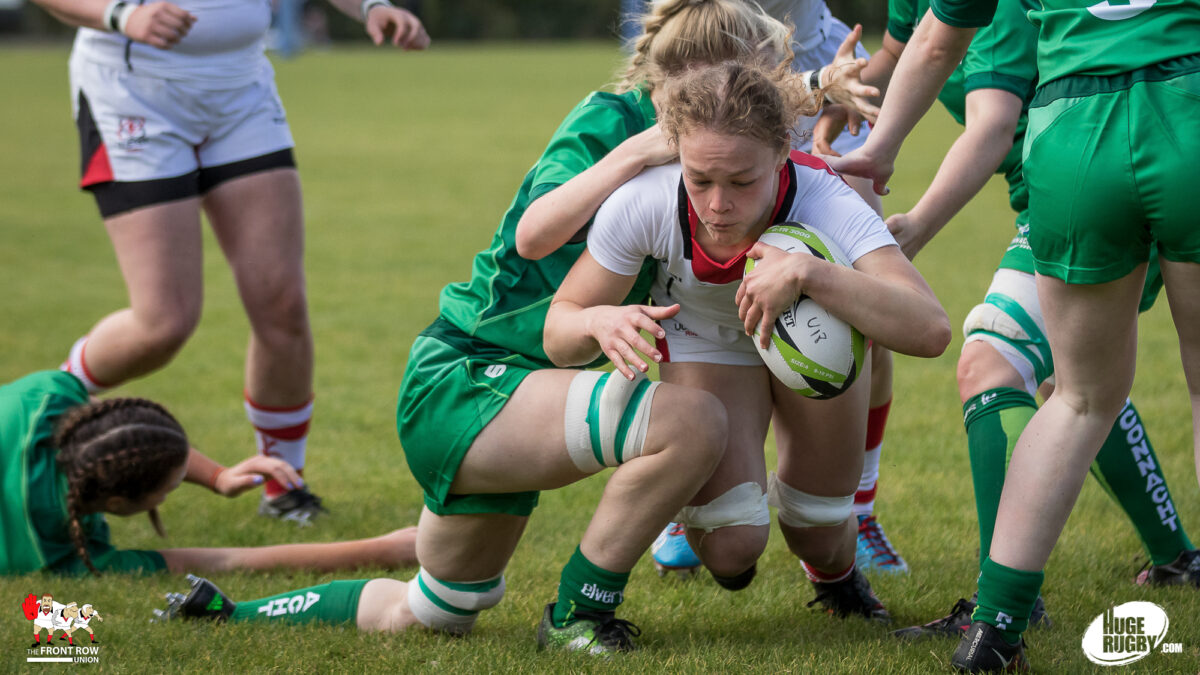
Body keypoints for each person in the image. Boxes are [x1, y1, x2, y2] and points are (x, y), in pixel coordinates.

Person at [154, 0, 878, 653]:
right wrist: (635, 156)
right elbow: (534, 235)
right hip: (470, 376)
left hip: (523, 392)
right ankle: (578, 616)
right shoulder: (613, 122)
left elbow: (754, 116)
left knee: (436, 608)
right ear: (693, 82)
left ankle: (226, 613)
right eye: (759, 72)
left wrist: (821, 90)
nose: (765, 92)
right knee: (692, 422)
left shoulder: (708, 134)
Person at [828, 0, 1200, 669]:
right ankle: (1171, 557)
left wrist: (882, 155)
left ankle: (998, 627)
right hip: (1183, 105)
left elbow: (960, 71)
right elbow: (907, 47)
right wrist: (834, 104)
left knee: (1069, 390)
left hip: (1070, 145)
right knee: (1097, 382)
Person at [545, 59, 949, 621]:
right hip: (707, 339)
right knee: (734, 549)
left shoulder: (825, 200)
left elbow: (931, 330)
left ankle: (834, 577)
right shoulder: (647, 200)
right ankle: (709, 514)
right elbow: (557, 333)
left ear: (783, 151)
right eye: (700, 179)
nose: (717, 205)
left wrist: (810, 274)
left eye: (741, 181)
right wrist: (594, 323)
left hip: (813, 335)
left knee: (820, 533)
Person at [29, 0, 429, 525]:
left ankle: (283, 484)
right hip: (132, 93)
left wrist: (371, 6)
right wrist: (120, 14)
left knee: (281, 304)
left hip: (240, 90)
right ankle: (34, 415)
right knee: (163, 324)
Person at [0, 369, 417, 576]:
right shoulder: (55, 551)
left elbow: (130, 434)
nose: (177, 488)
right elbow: (225, 559)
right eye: (167, 489)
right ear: (114, 503)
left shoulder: (44, 396)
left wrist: (219, 476)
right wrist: (384, 549)